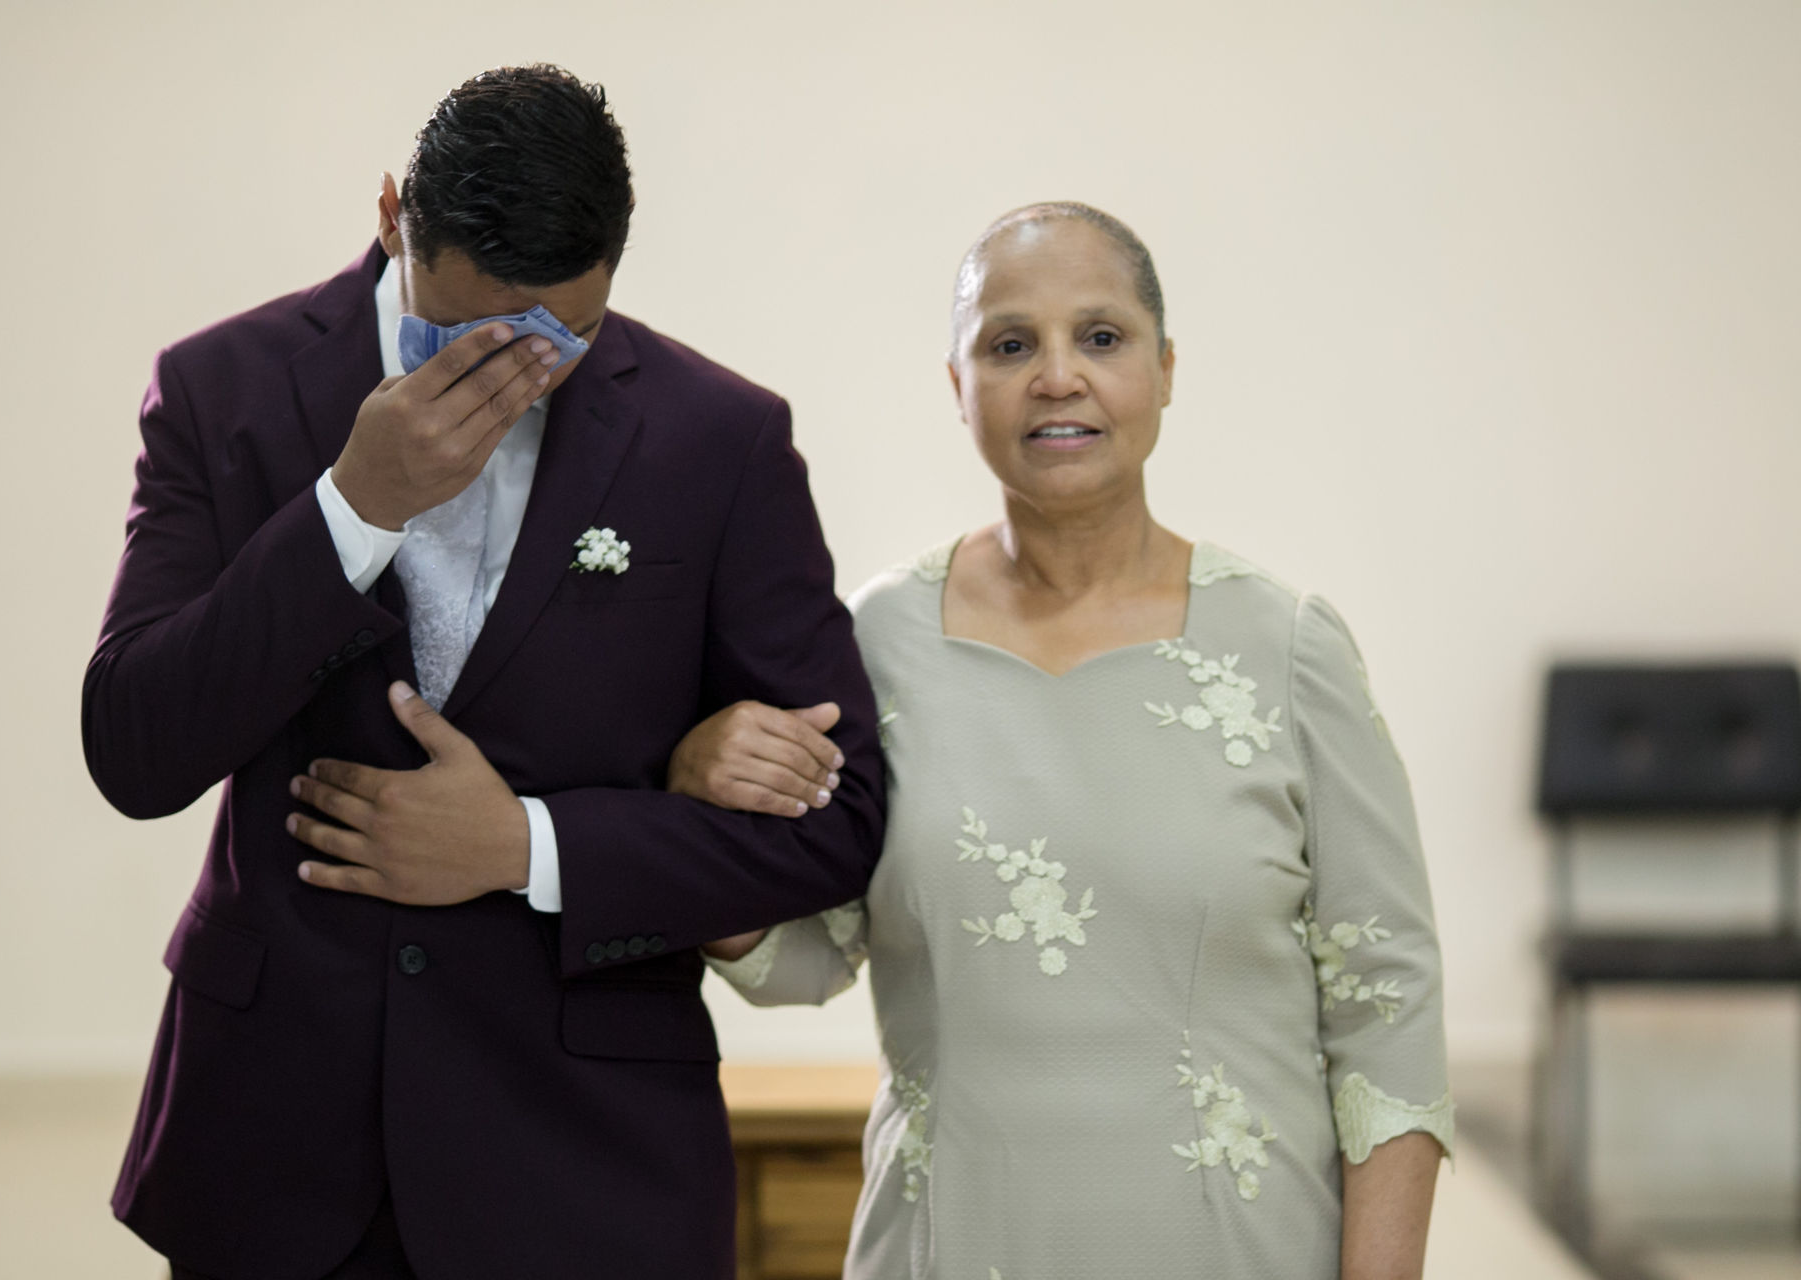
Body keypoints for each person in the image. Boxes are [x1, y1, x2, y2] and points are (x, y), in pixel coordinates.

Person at [82, 66, 884, 1280]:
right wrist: (353, 510)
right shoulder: (222, 389)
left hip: (587, 1163)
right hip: (276, 1159)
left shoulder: (720, 437)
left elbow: (840, 827)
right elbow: (135, 749)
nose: (507, 370)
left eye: (558, 338)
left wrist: (532, 845)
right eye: (461, 332)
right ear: (397, 215)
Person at [672, 204, 1451, 1279]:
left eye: (1100, 336)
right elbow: (801, 957)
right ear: (958, 385)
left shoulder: (1287, 647)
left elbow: (1389, 1009)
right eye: (1008, 344)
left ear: (1166, 368)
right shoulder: (872, 643)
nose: (1056, 376)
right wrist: (699, 806)